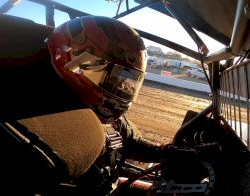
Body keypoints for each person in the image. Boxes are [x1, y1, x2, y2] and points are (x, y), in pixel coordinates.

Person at [46, 16, 197, 195]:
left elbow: (133, 144)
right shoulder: (47, 120)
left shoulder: (110, 119)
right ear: (77, 63)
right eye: (113, 77)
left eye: (128, 80)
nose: (122, 87)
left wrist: (167, 152)